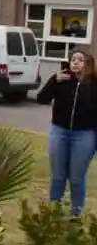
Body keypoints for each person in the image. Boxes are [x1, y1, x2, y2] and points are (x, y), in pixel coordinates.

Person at [36, 50, 97, 217]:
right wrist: (53, 80)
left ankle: (75, 213)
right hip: (59, 132)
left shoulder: (93, 84)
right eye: (73, 59)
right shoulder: (62, 80)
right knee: (58, 176)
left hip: (84, 135)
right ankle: (54, 210)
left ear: (88, 64)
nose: (75, 62)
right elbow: (41, 99)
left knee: (76, 177)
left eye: (80, 60)